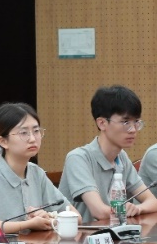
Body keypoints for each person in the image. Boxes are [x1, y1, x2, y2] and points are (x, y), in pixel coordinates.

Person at [0, 103, 75, 236]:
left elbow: (75, 216)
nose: (32, 139)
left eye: (36, 131)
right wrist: (27, 224)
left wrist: (49, 219)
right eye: (23, 133)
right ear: (3, 142)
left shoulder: (37, 173)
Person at [58, 85, 157, 222]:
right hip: (82, 234)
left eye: (136, 122)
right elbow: (99, 212)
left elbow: (153, 202)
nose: (133, 129)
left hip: (113, 232)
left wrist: (137, 209)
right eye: (125, 122)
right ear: (102, 123)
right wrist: (125, 210)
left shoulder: (121, 157)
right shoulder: (78, 158)